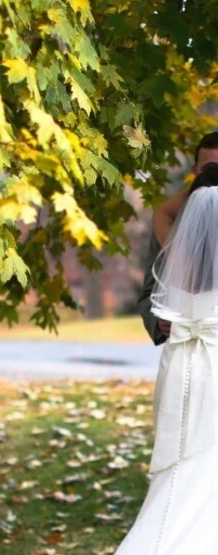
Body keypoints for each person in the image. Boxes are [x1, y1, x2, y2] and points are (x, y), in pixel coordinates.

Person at [114, 161, 218, 555]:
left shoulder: (178, 263)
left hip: (181, 366)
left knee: (180, 463)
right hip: (213, 367)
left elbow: (161, 211)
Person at [138, 132, 218, 345]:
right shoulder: (169, 222)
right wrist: (159, 322)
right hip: (183, 346)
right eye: (210, 169)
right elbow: (149, 290)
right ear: (195, 171)